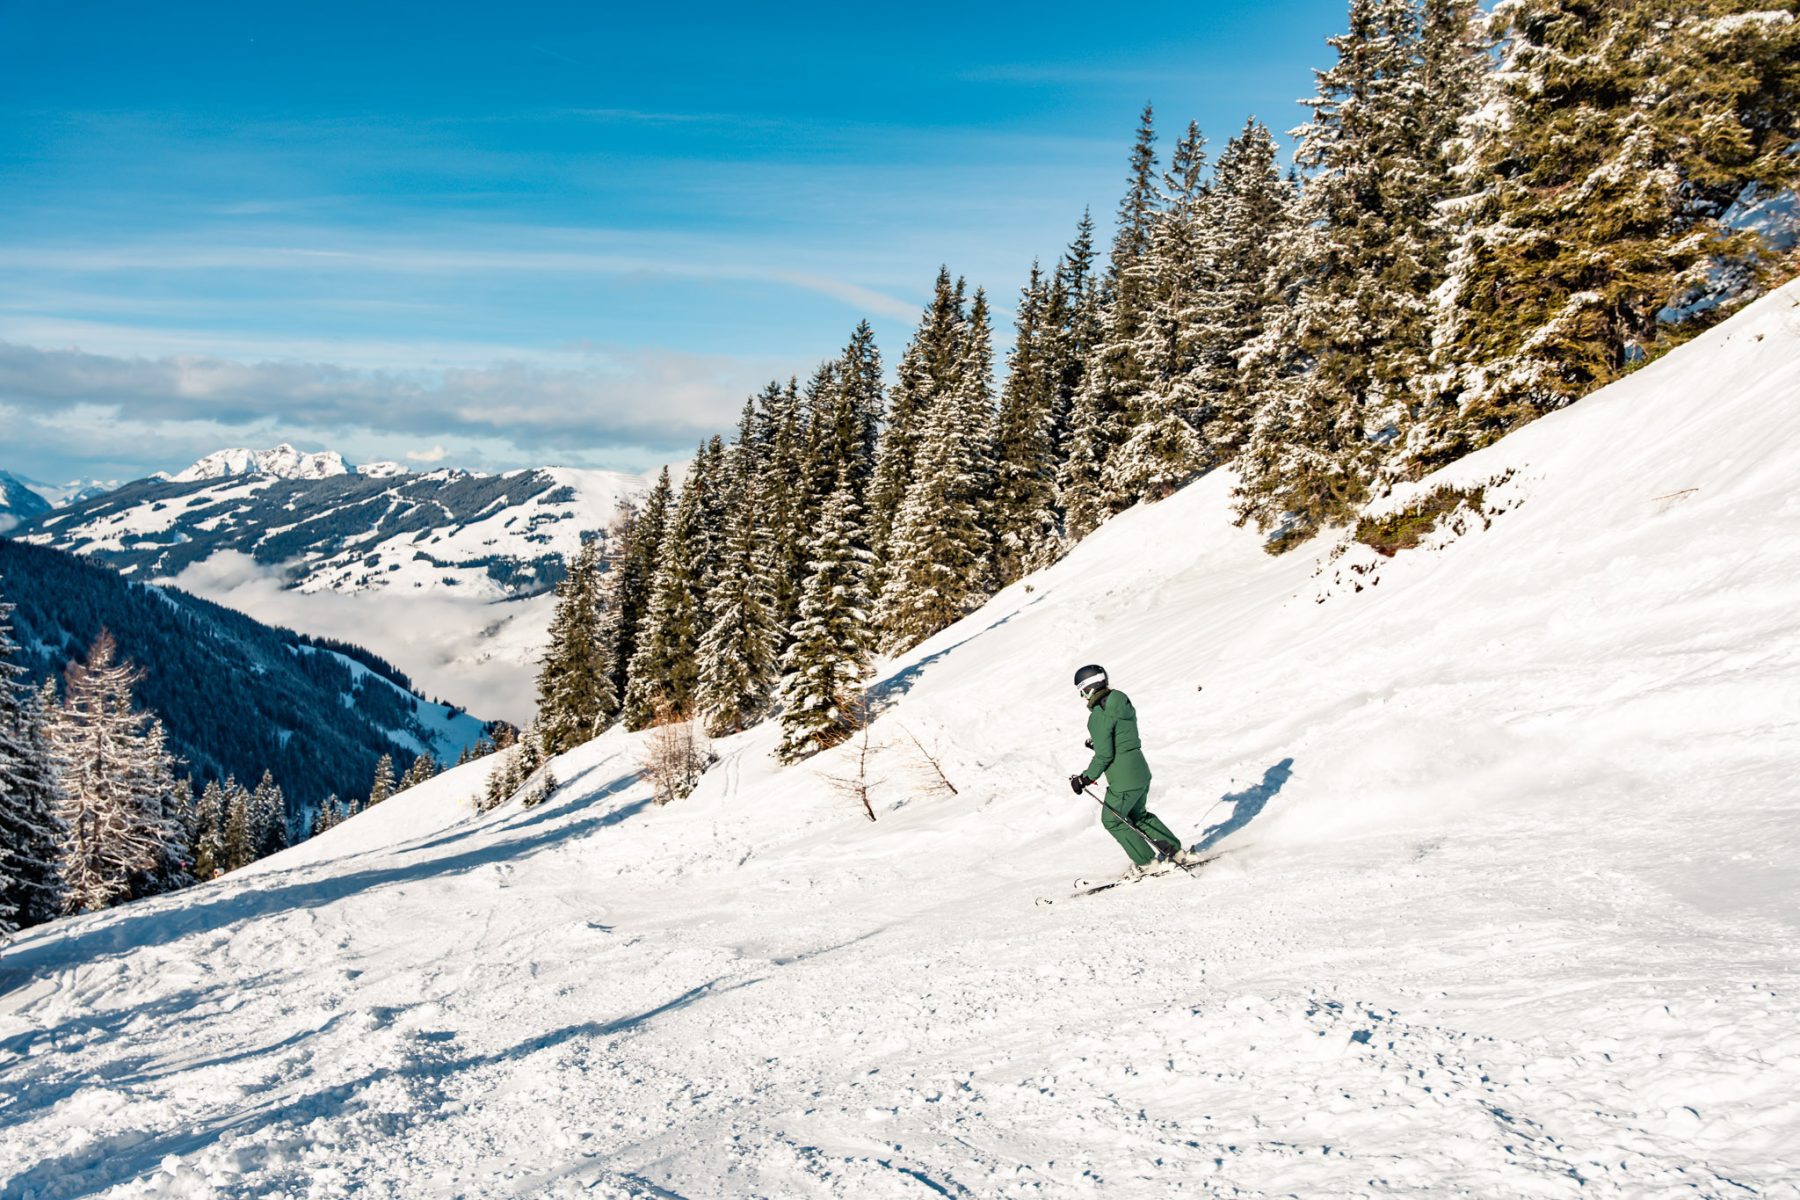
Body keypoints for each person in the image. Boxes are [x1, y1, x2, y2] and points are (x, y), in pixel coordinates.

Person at [1067, 664, 1190, 877]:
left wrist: (1085, 779)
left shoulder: (1098, 715)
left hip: (1123, 778)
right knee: (1138, 816)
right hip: (1140, 771)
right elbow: (1121, 738)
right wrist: (1097, 743)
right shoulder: (1120, 701)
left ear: (1089, 688)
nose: (1082, 696)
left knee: (1112, 820)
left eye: (1081, 691)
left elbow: (1105, 755)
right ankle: (1178, 853)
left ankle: (1147, 863)